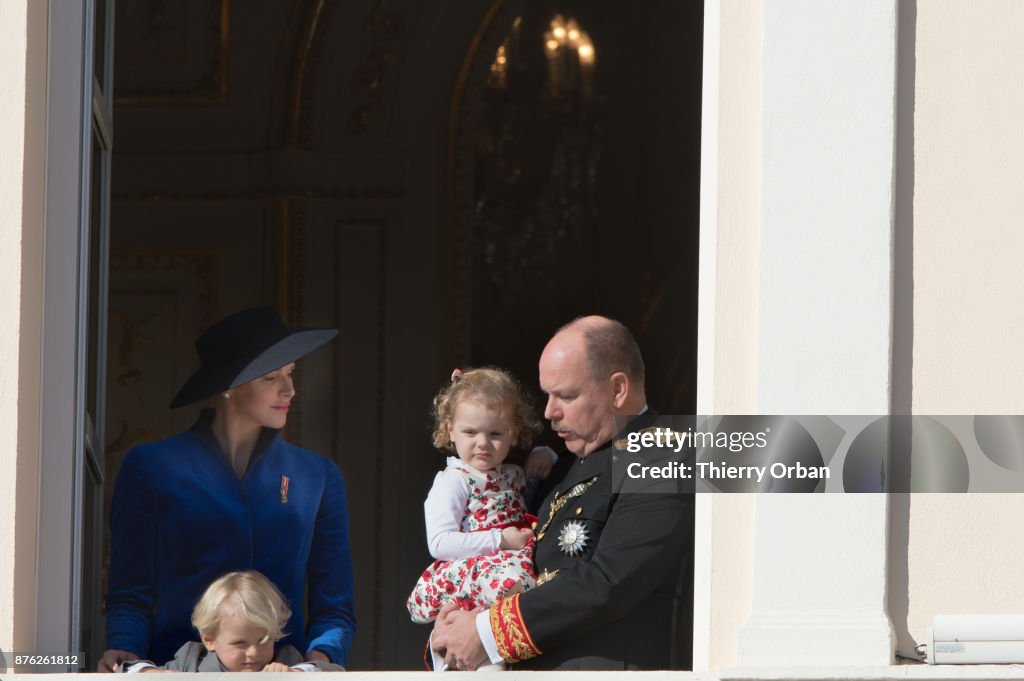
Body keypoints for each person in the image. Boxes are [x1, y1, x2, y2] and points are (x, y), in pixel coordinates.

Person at [100, 307, 356, 671]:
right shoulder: (152, 467)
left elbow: (335, 604)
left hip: (283, 672)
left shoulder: (317, 475)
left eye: (290, 373)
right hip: (175, 668)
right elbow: (131, 591)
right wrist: (127, 652)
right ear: (229, 386)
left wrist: (317, 662)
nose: (290, 389)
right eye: (271, 377)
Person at [431, 316, 693, 670]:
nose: (549, 412)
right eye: (547, 395)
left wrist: (487, 632)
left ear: (618, 389)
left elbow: (609, 582)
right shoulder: (560, 467)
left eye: (566, 396)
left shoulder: (667, 456)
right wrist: (458, 624)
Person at [406, 368, 543, 629]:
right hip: (474, 570)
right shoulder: (454, 480)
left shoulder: (513, 474)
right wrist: (500, 540)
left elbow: (535, 502)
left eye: (495, 434)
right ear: (451, 431)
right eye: (470, 432)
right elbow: (439, 542)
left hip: (511, 561)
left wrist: (545, 455)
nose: (482, 443)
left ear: (514, 433)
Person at [120, 571, 343, 672]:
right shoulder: (192, 661)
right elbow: (129, 669)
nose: (254, 653)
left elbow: (332, 671)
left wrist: (295, 675)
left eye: (263, 640)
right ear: (209, 639)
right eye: (240, 643)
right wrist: (159, 676)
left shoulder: (285, 660)